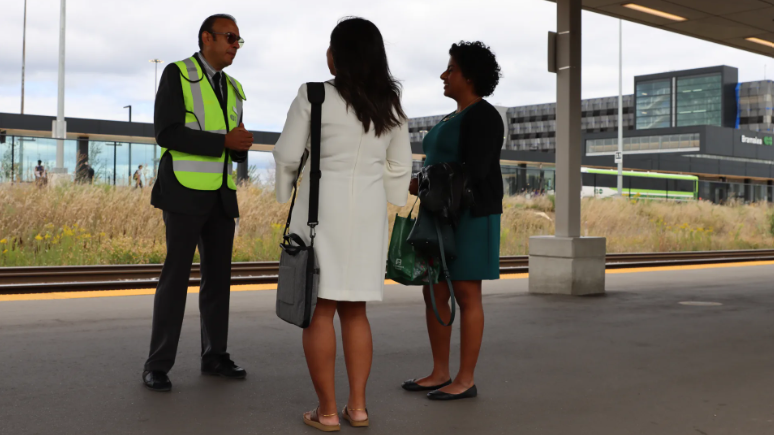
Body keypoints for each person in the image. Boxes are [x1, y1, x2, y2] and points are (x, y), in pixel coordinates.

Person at [272, 17, 412, 431]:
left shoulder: (313, 95)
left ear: (337, 56)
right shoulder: (389, 103)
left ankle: (327, 411)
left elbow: (286, 155)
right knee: (356, 312)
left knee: (318, 310)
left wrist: (283, 194)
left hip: (318, 215)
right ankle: (359, 408)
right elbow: (400, 165)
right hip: (367, 218)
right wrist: (392, 197)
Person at [142, 13, 253, 392]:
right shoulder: (178, 73)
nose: (235, 45)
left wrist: (239, 150)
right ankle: (157, 364)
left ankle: (215, 356)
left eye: (239, 40)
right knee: (175, 279)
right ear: (207, 37)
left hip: (222, 196)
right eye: (229, 37)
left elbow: (231, 147)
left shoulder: (235, 88)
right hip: (184, 192)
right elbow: (166, 133)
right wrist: (223, 143)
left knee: (218, 280)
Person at [402, 41, 504, 401]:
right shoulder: (453, 116)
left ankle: (465, 379)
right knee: (435, 291)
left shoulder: (484, 116)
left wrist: (429, 180)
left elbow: (475, 170)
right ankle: (440, 372)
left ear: (470, 76)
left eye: (451, 69)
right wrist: (424, 181)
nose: (444, 75)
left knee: (466, 293)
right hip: (441, 214)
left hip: (472, 215)